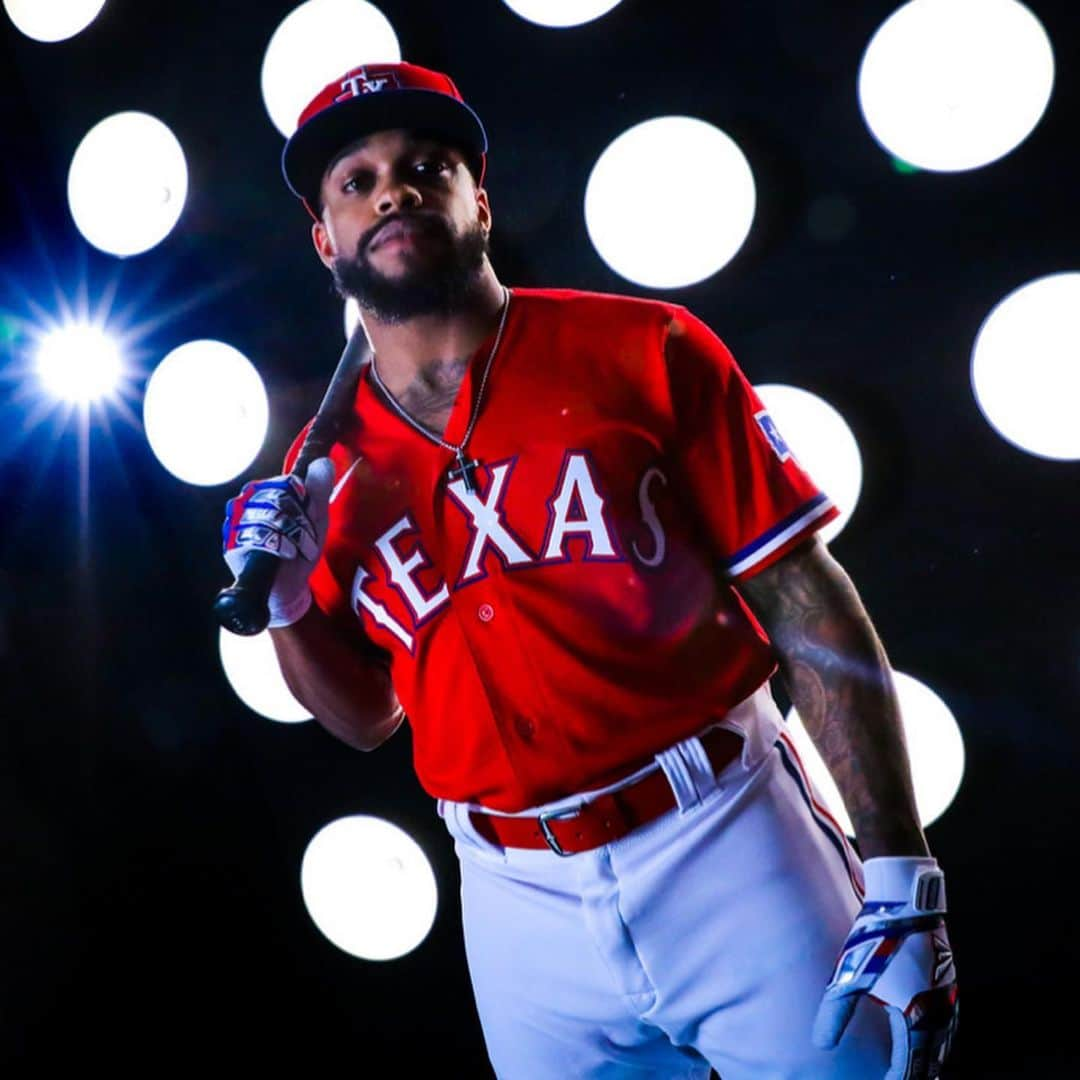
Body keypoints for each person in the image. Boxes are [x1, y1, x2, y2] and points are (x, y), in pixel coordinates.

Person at [222, 61, 959, 1078]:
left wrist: (896, 861)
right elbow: (364, 720)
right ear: (326, 241)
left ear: (477, 198)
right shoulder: (325, 469)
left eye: (425, 164)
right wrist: (297, 602)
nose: (392, 189)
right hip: (509, 894)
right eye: (356, 181)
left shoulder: (641, 346)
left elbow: (800, 593)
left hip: (724, 835)